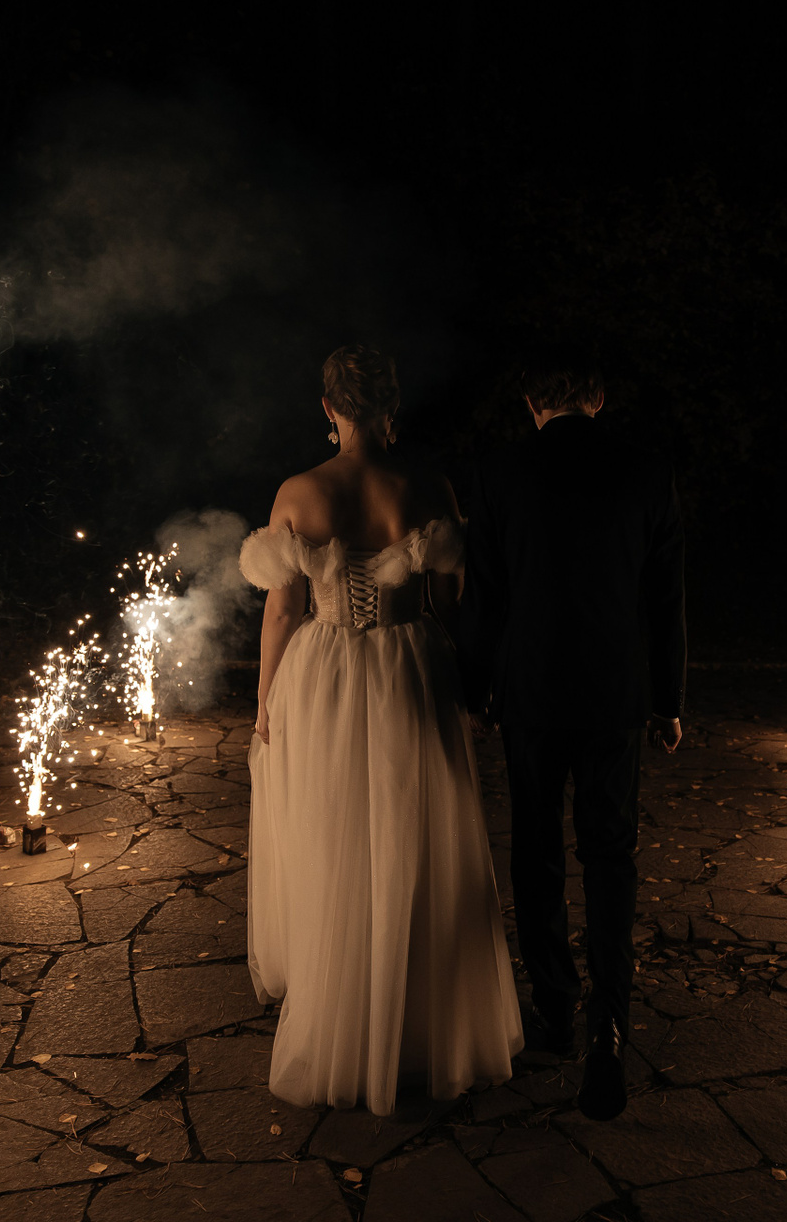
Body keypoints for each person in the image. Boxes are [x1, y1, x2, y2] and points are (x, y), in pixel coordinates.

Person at [238, 345, 522, 1116]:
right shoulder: (426, 485)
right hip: (409, 667)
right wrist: (471, 684)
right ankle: (417, 1021)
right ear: (391, 409)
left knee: (332, 834)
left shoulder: (299, 491)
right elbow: (451, 604)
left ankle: (342, 1013)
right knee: (413, 834)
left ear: (328, 408)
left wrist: (265, 702)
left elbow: (283, 610)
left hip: (323, 672)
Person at [463, 355, 685, 1121]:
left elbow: (486, 595)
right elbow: (665, 597)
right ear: (598, 399)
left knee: (537, 851)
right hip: (614, 694)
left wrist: (475, 687)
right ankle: (608, 1029)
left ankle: (555, 1008)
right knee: (610, 857)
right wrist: (668, 700)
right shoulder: (646, 473)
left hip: (530, 692)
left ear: (532, 402)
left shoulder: (499, 473)